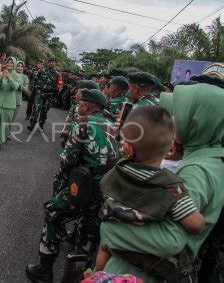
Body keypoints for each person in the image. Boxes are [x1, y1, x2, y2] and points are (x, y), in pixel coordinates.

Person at [100, 83, 224, 282]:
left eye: (178, 113)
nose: (172, 120)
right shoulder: (204, 160)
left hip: (139, 273)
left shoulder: (197, 171)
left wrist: (109, 230)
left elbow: (170, 239)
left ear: (198, 120)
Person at [95, 106, 205, 273]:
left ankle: (98, 275)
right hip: (148, 261)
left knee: (103, 248)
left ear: (129, 148)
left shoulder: (117, 171)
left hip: (112, 243)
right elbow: (194, 224)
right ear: (171, 148)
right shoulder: (170, 186)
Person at [26, 89, 119, 283]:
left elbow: (68, 160)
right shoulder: (113, 126)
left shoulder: (82, 123)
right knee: (88, 227)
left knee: (52, 211)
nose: (78, 106)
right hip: (106, 191)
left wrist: (60, 187)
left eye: (80, 103)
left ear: (86, 105)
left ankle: (45, 269)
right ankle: (78, 276)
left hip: (85, 186)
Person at [0, 57, 20, 150]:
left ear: (14, 64)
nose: (9, 64)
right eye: (8, 62)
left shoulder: (18, 76)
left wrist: (10, 78)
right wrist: (2, 77)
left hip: (10, 103)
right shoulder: (1, 73)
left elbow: (15, 87)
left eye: (11, 63)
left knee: (5, 124)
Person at [28, 57, 60, 132]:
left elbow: (58, 86)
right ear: (48, 63)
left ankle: (41, 124)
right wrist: (31, 90)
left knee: (44, 110)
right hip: (40, 92)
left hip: (49, 94)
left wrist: (55, 96)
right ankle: (32, 124)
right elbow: (35, 79)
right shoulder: (41, 71)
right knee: (36, 108)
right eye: (51, 62)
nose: (52, 63)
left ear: (55, 64)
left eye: (53, 62)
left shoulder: (58, 74)